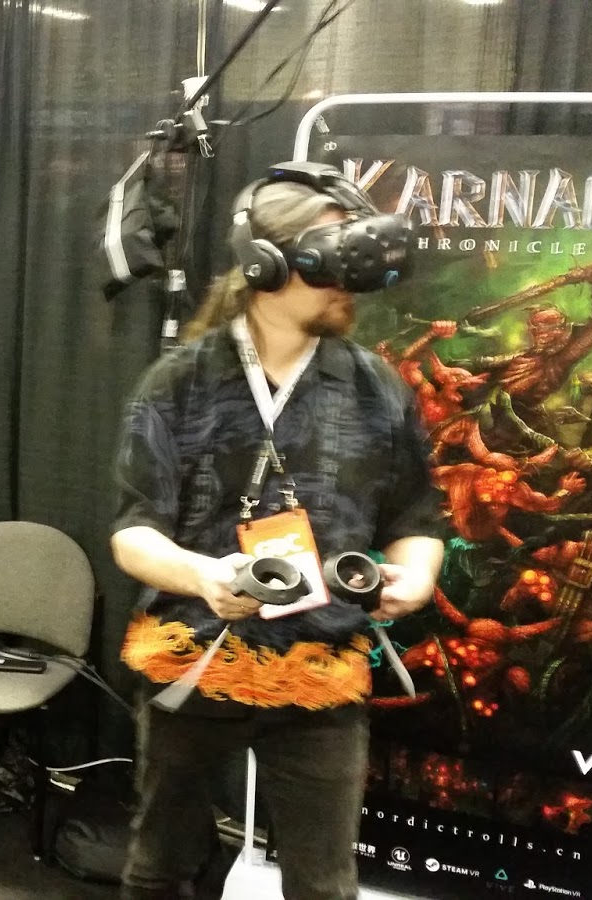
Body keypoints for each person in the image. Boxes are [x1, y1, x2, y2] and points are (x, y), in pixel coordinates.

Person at [110, 168, 445, 900]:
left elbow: (417, 520)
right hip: (195, 660)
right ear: (264, 264)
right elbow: (135, 534)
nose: (348, 284)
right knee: (161, 868)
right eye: (331, 259)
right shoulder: (180, 383)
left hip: (323, 673)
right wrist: (205, 576)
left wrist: (416, 575)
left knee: (323, 887)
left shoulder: (377, 388)